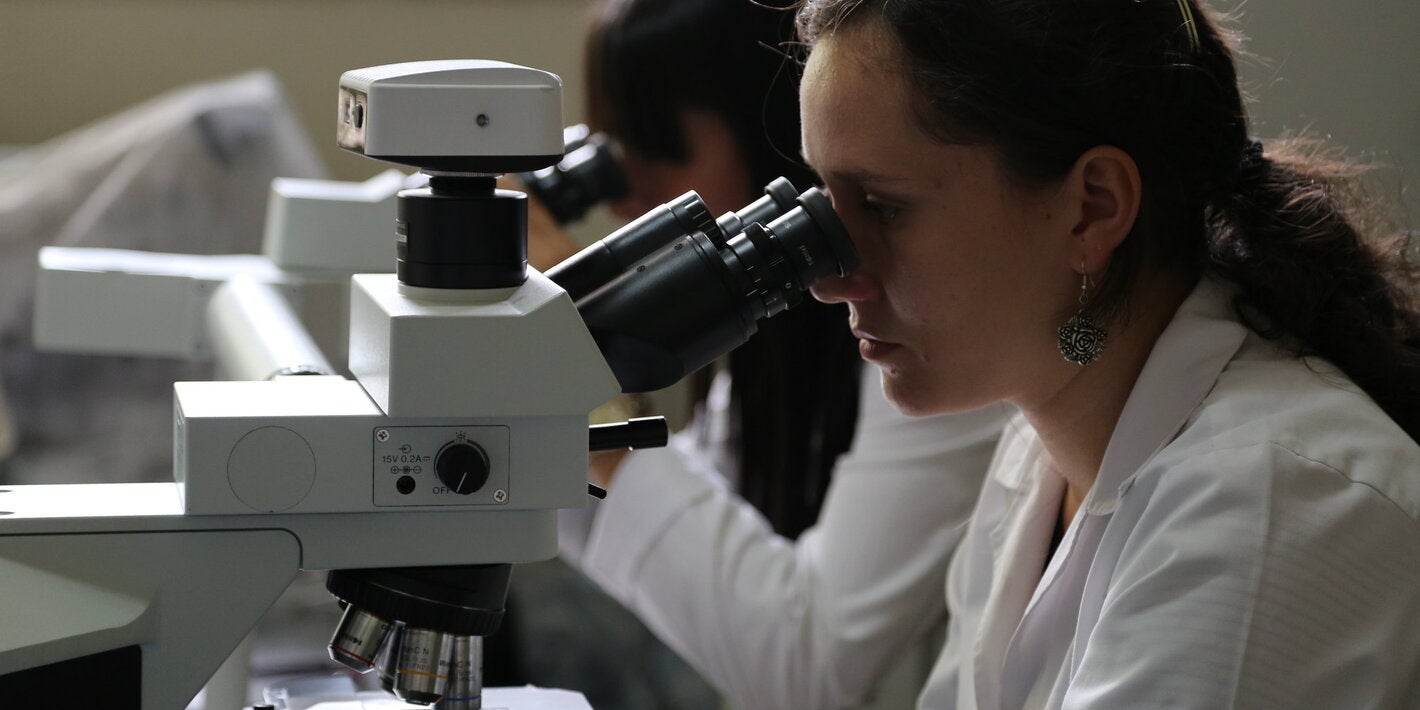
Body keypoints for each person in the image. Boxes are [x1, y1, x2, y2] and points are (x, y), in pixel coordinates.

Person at [786, 0, 1420, 707]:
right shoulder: (1041, 458)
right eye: (824, 197)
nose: (830, 277)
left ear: (1092, 206)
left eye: (881, 204)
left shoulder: (1271, 502)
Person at [525, 0, 1008, 707]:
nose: (628, 195)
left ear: (772, 137)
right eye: (610, 154)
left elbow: (805, 663)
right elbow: (702, 542)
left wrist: (584, 398)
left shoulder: (937, 340)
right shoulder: (782, 337)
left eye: (658, 146)